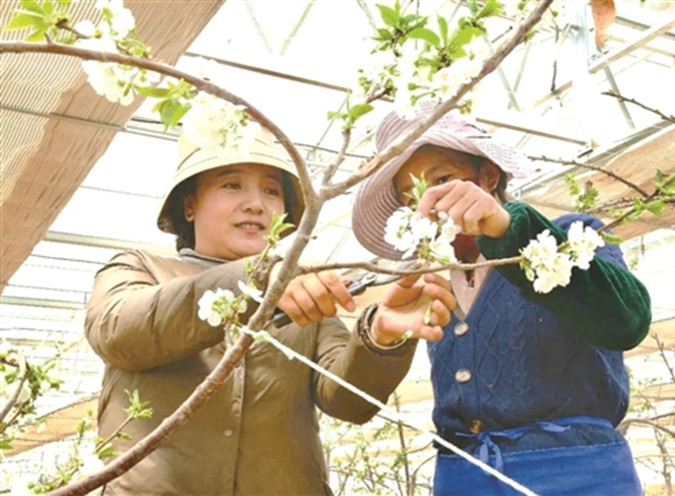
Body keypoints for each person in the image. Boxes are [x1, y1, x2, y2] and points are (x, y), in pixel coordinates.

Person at [84, 127, 455, 495]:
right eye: (231, 185)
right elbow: (119, 333)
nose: (256, 204)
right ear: (189, 205)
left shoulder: (304, 291)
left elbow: (348, 402)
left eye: (272, 191)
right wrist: (258, 279)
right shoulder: (140, 269)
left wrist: (379, 339)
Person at [351, 102, 651, 495]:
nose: (429, 203)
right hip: (464, 477)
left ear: (489, 175)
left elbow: (627, 321)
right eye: (411, 199)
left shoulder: (570, 238)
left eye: (443, 178)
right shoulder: (430, 280)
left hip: (574, 474)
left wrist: (509, 229)